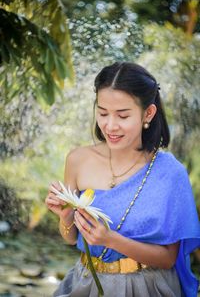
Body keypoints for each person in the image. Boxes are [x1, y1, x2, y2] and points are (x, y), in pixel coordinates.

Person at [45, 62, 200, 297]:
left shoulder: (170, 173)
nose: (110, 125)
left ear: (148, 113)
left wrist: (111, 240)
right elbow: (70, 238)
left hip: (146, 287)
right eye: (103, 112)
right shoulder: (78, 159)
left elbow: (168, 258)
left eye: (123, 115)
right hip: (86, 283)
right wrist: (65, 215)